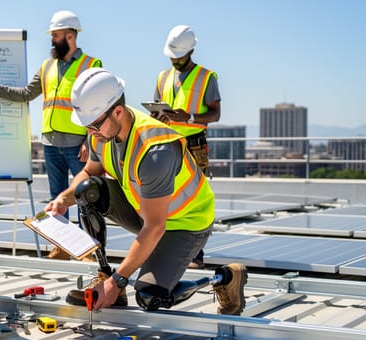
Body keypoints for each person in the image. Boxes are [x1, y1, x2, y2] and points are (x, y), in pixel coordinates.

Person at [44, 68, 246, 315]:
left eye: (94, 126)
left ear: (118, 111)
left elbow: (155, 227)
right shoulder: (101, 132)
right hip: (147, 212)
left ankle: (225, 279)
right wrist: (63, 199)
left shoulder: (156, 150)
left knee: (149, 297)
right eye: (87, 126)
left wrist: (120, 279)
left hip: (185, 223)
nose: (90, 133)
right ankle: (104, 275)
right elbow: (89, 172)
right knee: (87, 190)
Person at [0, 10, 101, 259]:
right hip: (50, 144)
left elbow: (97, 105)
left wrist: (90, 139)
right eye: (52, 35)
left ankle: (90, 250)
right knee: (57, 199)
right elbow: (25, 94)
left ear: (70, 35)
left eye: (55, 35)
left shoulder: (91, 65)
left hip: (78, 144)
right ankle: (63, 247)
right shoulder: (47, 66)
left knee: (86, 196)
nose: (52, 40)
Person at [152, 25, 221, 268]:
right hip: (167, 144)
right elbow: (157, 109)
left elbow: (215, 114)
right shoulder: (163, 77)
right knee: (165, 198)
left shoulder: (206, 77)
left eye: (178, 56)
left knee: (194, 200)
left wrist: (188, 118)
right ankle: (167, 248)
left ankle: (195, 255)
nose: (174, 60)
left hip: (193, 146)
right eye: (172, 56)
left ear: (190, 51)